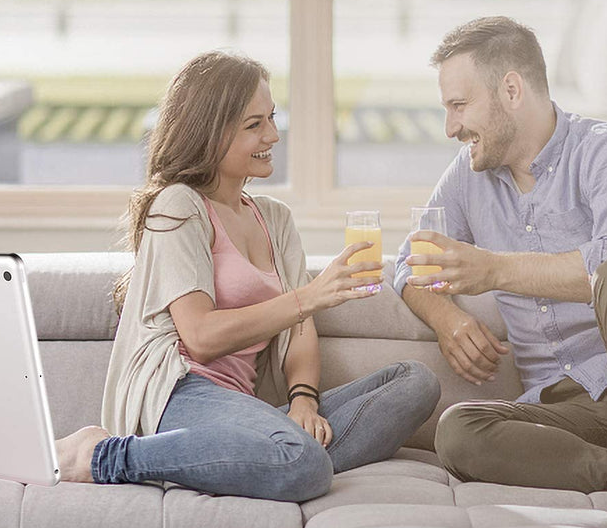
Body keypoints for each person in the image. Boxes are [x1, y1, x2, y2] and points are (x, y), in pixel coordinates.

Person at [393, 15, 607, 527]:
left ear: (511, 89)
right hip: (578, 408)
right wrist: (447, 319)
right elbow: (408, 263)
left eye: (459, 106)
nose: (451, 128)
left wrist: (494, 270)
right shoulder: (468, 176)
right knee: (459, 429)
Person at [57, 50, 440, 502]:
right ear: (211, 133)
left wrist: (303, 400)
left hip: (243, 407)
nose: (273, 135)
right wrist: (310, 297)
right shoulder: (179, 206)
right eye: (254, 125)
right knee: (305, 464)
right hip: (180, 392)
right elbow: (200, 336)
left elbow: (301, 332)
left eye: (271, 119)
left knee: (416, 381)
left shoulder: (274, 219)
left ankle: (251, 459)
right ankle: (105, 455)